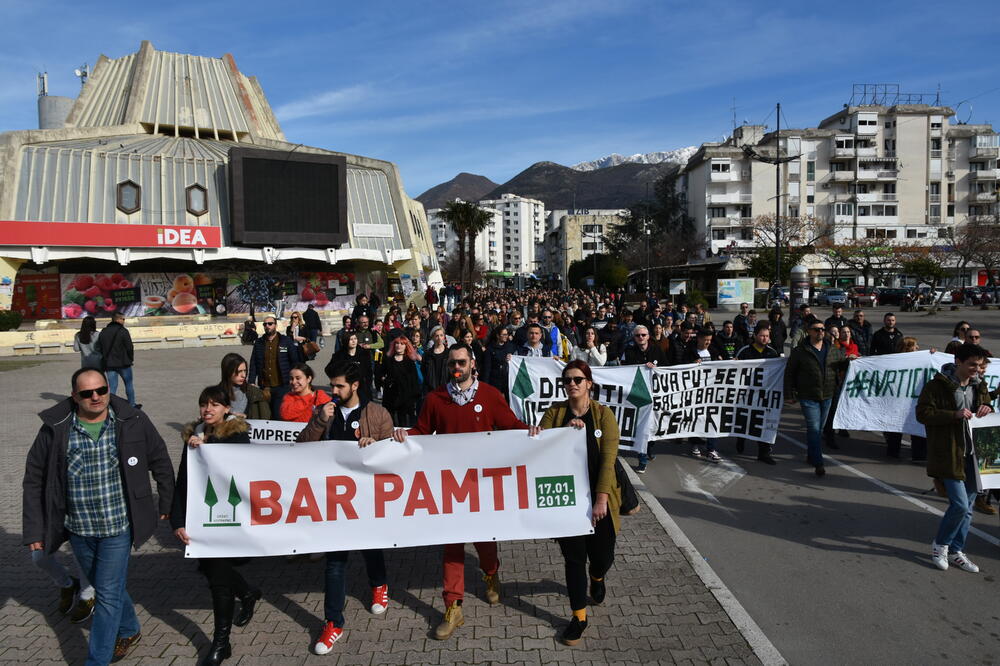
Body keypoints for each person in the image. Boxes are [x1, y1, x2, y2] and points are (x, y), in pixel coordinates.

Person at [22, 367, 174, 664]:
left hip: (118, 526)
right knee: (109, 588)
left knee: (105, 597)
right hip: (78, 528)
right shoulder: (57, 427)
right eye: (87, 393)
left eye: (101, 390)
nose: (96, 397)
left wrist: (167, 501)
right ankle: (129, 628)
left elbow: (160, 459)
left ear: (109, 389)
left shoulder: (132, 420)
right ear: (74, 396)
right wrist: (34, 531)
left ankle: (96, 660)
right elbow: (33, 479)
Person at [391, 344, 540, 640]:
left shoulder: (489, 395)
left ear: (473, 363)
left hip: (481, 485)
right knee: (452, 545)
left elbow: (510, 425)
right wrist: (405, 434)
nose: (456, 367)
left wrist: (532, 432)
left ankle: (490, 573)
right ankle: (453, 606)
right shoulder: (435, 399)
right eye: (451, 364)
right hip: (450, 486)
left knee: (485, 540)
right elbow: (423, 430)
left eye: (461, 362)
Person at [298, 361, 395, 654]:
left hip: (366, 498)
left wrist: (375, 443)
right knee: (335, 563)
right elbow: (300, 448)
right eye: (332, 385)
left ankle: (379, 584)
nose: (334, 391)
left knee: (370, 547)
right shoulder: (325, 413)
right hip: (334, 501)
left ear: (355, 386)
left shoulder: (376, 413)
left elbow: (394, 454)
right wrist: (317, 421)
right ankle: (333, 623)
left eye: (339, 386)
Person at [171, 386, 259, 665]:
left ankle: (221, 643)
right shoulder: (194, 435)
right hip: (201, 518)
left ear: (226, 409)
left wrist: (207, 449)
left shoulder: (237, 434)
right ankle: (246, 593)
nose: (207, 409)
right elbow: (183, 481)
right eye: (203, 404)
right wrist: (177, 519)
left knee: (219, 581)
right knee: (212, 572)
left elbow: (237, 466)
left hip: (227, 517)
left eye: (214, 405)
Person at [539, 361, 622, 646]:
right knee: (574, 560)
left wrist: (601, 499)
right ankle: (578, 616)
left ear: (589, 383)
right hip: (568, 501)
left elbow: (609, 460)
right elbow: (541, 447)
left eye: (577, 379)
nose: (572, 384)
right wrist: (563, 432)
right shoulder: (555, 413)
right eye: (567, 380)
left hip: (599, 500)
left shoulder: (603, 414)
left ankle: (597, 577)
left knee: (602, 557)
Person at [919, 343, 994, 573]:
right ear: (958, 361)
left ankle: (956, 550)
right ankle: (940, 545)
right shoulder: (937, 386)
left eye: (979, 365)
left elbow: (987, 405)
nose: (976, 369)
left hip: (976, 453)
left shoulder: (979, 385)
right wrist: (954, 414)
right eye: (972, 364)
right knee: (960, 505)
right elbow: (922, 414)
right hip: (949, 454)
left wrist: (986, 408)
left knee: (968, 507)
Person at [784, 319, 847, 477]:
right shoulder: (800, 351)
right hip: (808, 395)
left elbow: (842, 364)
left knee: (819, 429)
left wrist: (850, 361)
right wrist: (789, 394)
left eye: (822, 329)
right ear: (809, 331)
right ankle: (818, 462)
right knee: (813, 428)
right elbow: (789, 373)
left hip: (827, 395)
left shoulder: (832, 349)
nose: (820, 332)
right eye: (817, 329)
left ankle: (812, 454)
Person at [735, 325, 781, 464]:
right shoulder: (745, 351)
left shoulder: (772, 353)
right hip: (746, 395)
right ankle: (740, 438)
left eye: (767, 336)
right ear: (755, 335)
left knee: (764, 422)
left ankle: (764, 453)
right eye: (762, 335)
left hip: (764, 395)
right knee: (744, 420)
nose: (765, 338)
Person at [248, 315, 301, 415]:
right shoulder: (259, 343)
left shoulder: (285, 341)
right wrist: (251, 381)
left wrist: (295, 381)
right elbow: (254, 362)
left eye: (270, 324)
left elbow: (295, 361)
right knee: (265, 415)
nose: (267, 326)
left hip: (282, 386)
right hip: (265, 387)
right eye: (265, 324)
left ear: (275, 325)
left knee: (278, 414)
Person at [377, 335, 421, 427]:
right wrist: (385, 380)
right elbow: (380, 374)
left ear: (406, 346)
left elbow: (414, 381)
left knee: (404, 424)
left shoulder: (409, 361)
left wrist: (414, 398)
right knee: (390, 423)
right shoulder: (388, 359)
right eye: (397, 343)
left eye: (402, 344)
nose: (399, 345)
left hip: (405, 398)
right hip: (390, 396)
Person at [96, 311, 137, 407]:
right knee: (128, 384)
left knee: (112, 387)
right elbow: (129, 347)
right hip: (124, 363)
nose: (124, 321)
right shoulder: (123, 331)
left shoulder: (104, 331)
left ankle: (111, 405)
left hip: (109, 364)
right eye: (123, 319)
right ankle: (132, 405)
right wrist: (130, 359)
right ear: (118, 319)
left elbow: (100, 347)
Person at [220, 352, 270, 420]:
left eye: (245, 371)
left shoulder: (257, 394)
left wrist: (246, 418)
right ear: (228, 372)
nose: (243, 375)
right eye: (239, 371)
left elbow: (266, 423)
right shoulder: (215, 395)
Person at [481, 326, 517, 397]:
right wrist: (485, 385)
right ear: (497, 336)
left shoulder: (511, 347)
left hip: (508, 380)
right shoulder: (490, 349)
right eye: (503, 334)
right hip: (495, 381)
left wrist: (512, 357)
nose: (506, 336)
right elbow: (487, 368)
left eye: (506, 334)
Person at [422, 326, 451, 392]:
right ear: (433, 338)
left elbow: (453, 371)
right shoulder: (427, 355)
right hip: (431, 389)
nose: (439, 338)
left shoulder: (449, 353)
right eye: (436, 336)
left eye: (441, 335)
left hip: (447, 389)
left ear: (444, 336)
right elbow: (423, 371)